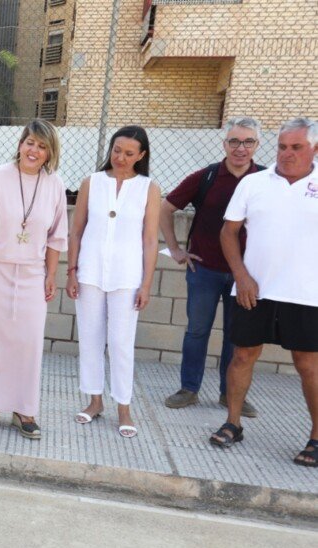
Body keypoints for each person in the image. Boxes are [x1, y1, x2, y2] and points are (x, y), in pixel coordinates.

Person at [210, 117, 318, 468]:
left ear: (313, 148)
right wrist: (241, 276)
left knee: (309, 366)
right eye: (283, 146)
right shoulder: (254, 183)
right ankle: (233, 423)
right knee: (242, 355)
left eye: (296, 147)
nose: (287, 153)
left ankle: (316, 438)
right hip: (254, 289)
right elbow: (228, 233)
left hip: (306, 294)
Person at [0, 119, 68, 438]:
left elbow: (56, 236)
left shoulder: (55, 185)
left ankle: (24, 409)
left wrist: (50, 275)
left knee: (28, 342)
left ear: (50, 153)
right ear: (20, 144)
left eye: (42, 146)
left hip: (33, 273)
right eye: (30, 143)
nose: (34, 150)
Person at [161, 117, 264, 417]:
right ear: (225, 144)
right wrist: (177, 249)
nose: (240, 148)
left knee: (237, 337)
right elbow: (166, 207)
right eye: (234, 141)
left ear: (257, 145)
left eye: (248, 142)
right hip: (204, 271)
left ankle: (230, 393)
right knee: (196, 331)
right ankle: (189, 389)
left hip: (245, 276)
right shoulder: (206, 177)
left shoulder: (265, 180)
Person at [66, 126, 161, 438]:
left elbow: (149, 240)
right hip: (90, 272)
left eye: (129, 153)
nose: (121, 158)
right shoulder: (91, 183)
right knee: (90, 339)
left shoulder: (149, 188)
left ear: (141, 156)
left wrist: (146, 284)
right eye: (117, 150)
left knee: (121, 343)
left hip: (128, 276)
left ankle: (124, 406)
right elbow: (76, 230)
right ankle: (94, 401)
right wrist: (72, 271)